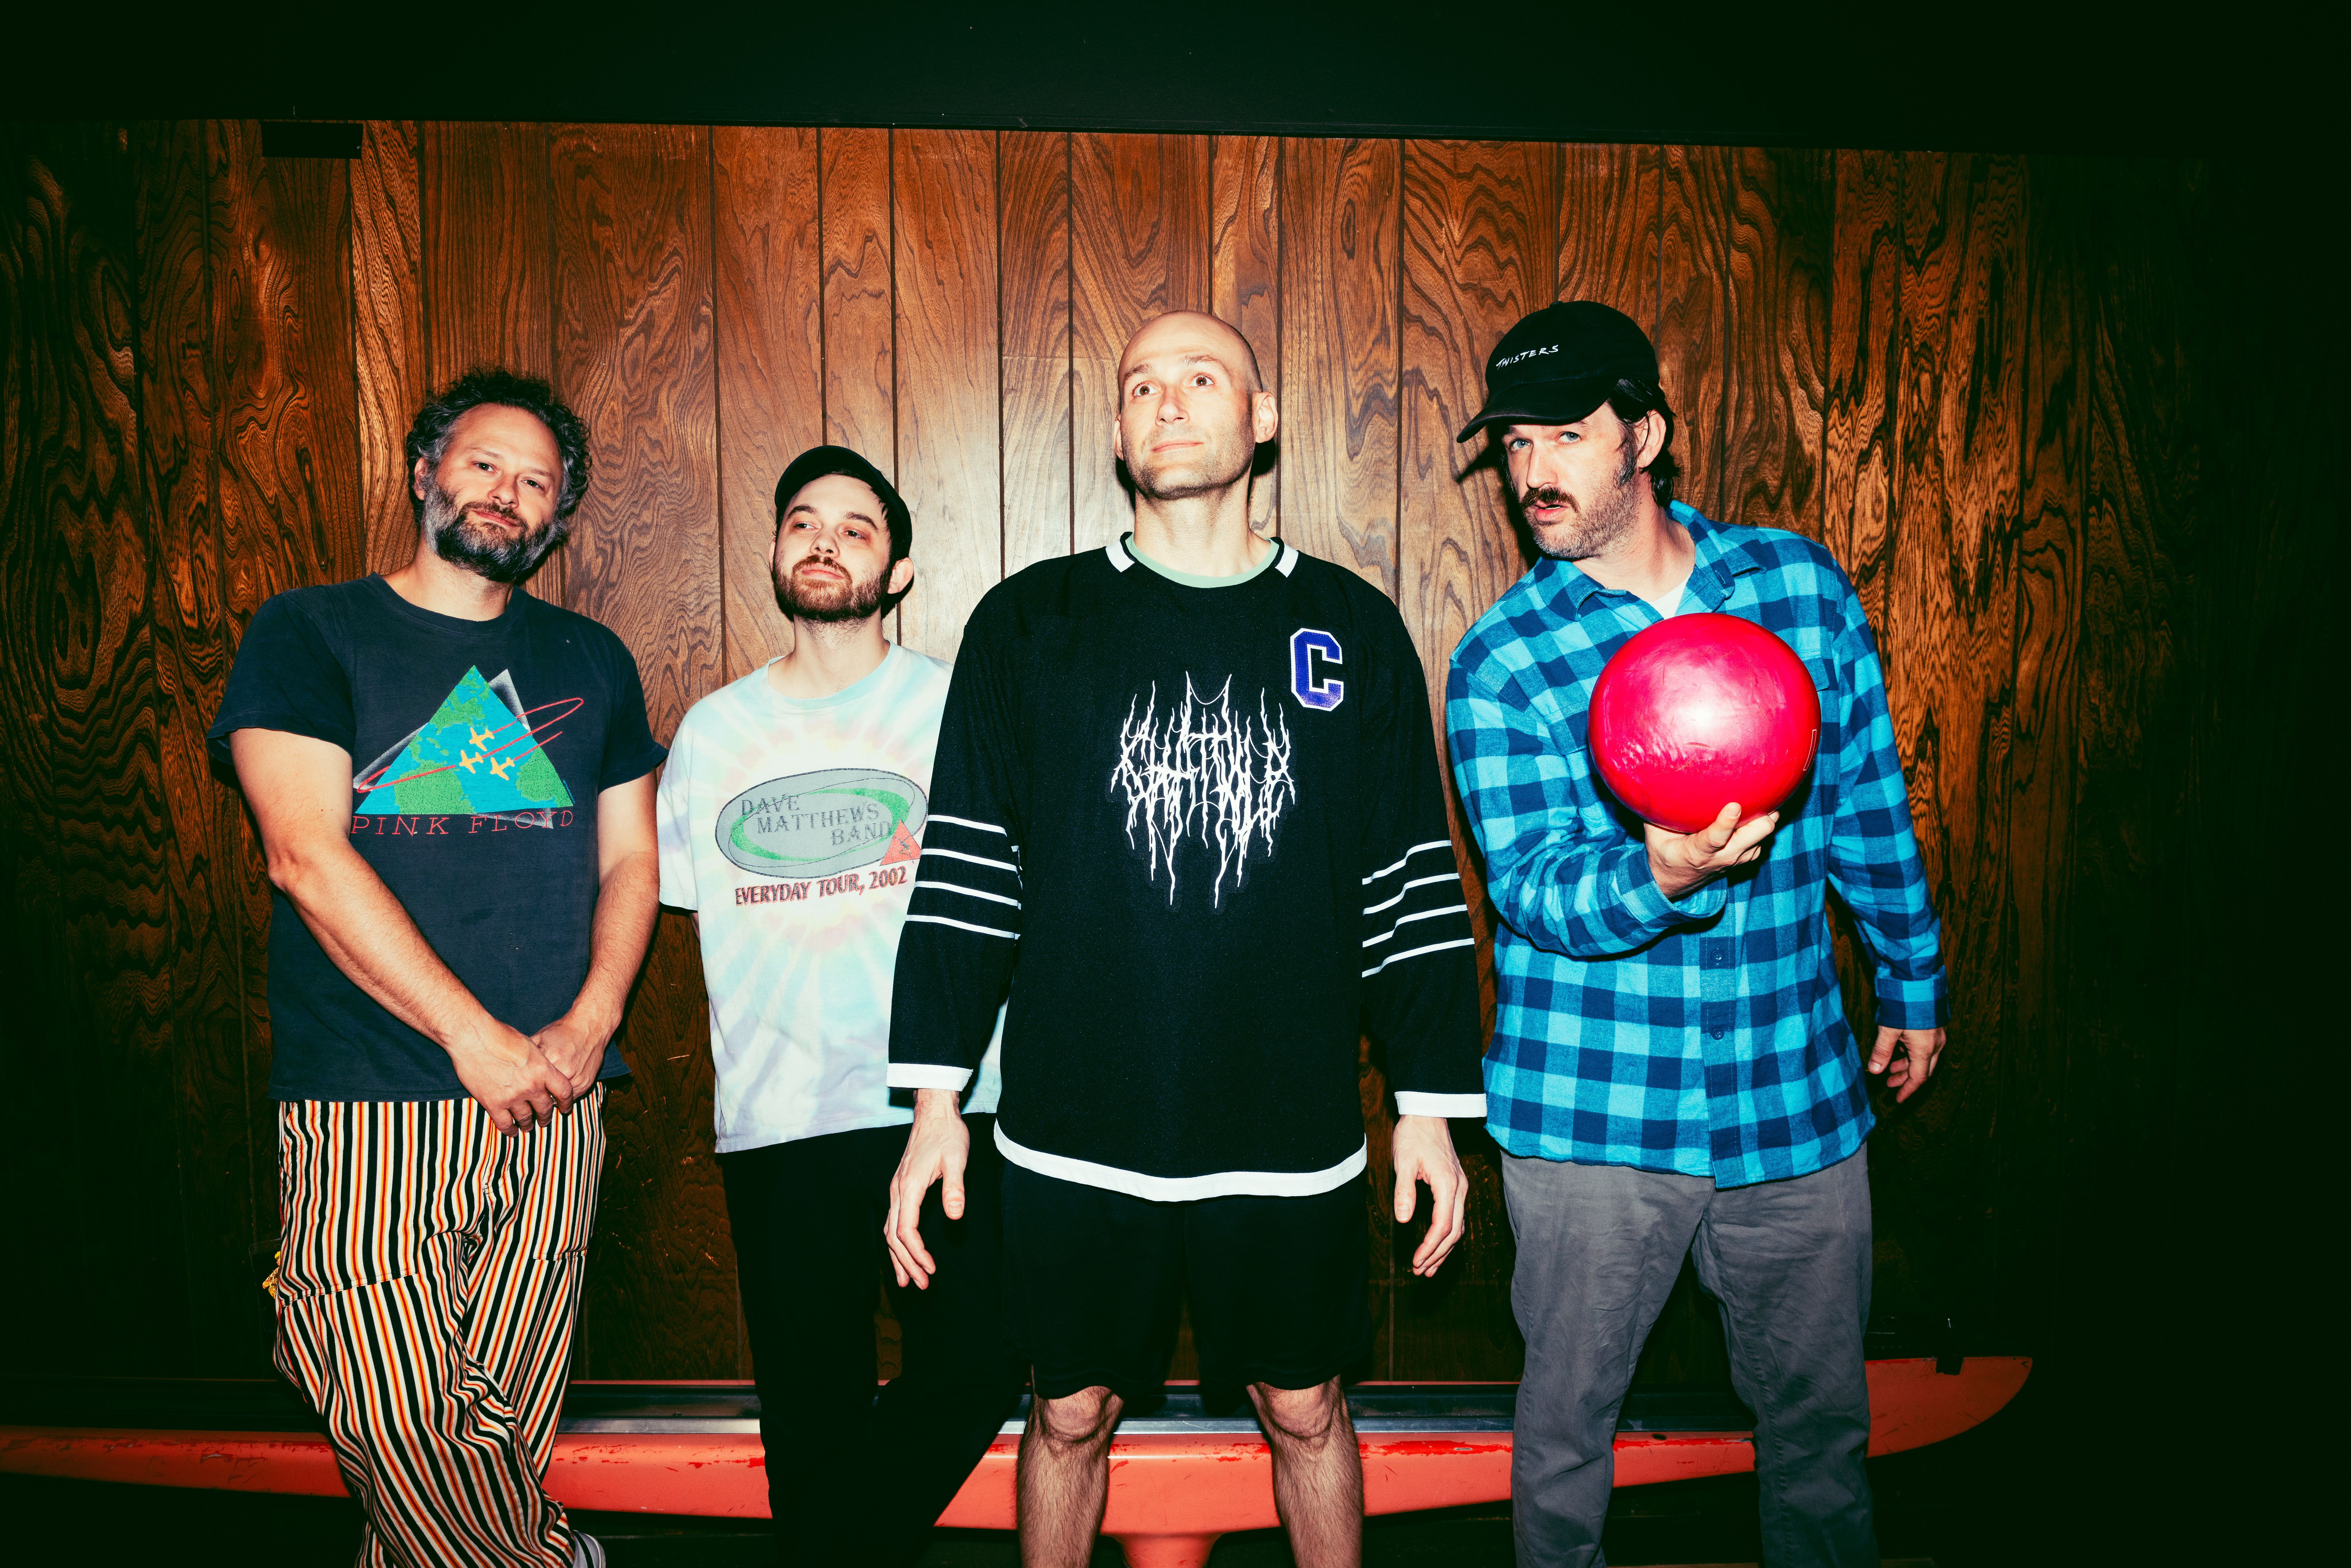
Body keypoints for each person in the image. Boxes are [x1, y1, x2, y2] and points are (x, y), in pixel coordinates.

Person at [882, 310, 1487, 1568]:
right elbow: (963, 877)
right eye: (1138, 385)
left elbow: (1409, 880)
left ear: (1262, 418)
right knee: (1068, 1411)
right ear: (1114, 431)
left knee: (1306, 1409)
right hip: (1075, 1126)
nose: (1165, 402)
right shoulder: (1029, 623)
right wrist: (934, 1097)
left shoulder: (1350, 626)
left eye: (1199, 378)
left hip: (1287, 1126)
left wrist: (1427, 1106)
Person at [1444, 301, 1949, 1568]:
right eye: (1513, 446)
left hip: (1791, 1092)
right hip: (1590, 1113)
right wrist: (1653, 873)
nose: (1534, 473)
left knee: (1819, 1432)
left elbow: (1862, 806)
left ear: (1645, 435)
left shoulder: (1794, 586)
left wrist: (1912, 977)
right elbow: (1530, 886)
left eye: (1563, 435)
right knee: (1564, 1440)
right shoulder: (1502, 657)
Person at [210, 367, 665, 1568]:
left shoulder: (593, 657)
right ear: (424, 472)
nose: (507, 494)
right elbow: (304, 854)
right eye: (483, 464)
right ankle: (556, 1556)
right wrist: (472, 1036)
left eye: (536, 482)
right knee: (386, 1393)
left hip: (558, 1102)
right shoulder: (308, 631)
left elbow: (632, 865)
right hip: (368, 1095)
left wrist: (588, 1024)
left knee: (493, 1435)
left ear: (561, 516)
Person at [655, 445, 1022, 1564]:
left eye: (855, 527)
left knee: (980, 1357)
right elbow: (673, 896)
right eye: (802, 521)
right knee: (807, 1405)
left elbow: (1021, 895)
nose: (823, 541)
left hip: (946, 1106)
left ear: (899, 568)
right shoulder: (714, 733)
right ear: (775, 550)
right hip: (780, 1116)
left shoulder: (958, 709)